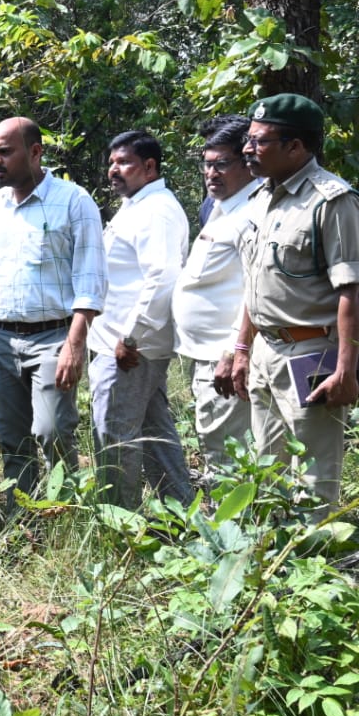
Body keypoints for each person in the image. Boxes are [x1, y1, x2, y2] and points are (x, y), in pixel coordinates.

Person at [222, 94, 359, 504]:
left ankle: (316, 562)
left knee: (314, 478)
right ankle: (274, 562)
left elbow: (351, 290)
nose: (247, 149)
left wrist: (347, 371)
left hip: (312, 353)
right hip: (266, 351)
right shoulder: (261, 197)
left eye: (259, 141)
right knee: (267, 470)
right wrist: (242, 347)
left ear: (295, 147)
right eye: (248, 139)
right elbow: (256, 281)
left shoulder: (332, 201)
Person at [0, 117, 106, 503]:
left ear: (36, 152)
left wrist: (75, 345)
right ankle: (20, 519)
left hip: (54, 337)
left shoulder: (74, 202)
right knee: (11, 437)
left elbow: (91, 283)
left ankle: (65, 514)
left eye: (5, 152)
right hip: (3, 340)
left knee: (53, 430)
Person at [87, 130, 193, 509]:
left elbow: (162, 276)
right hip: (123, 342)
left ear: (149, 166)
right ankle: (181, 514)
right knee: (154, 434)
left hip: (129, 349)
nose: (114, 170)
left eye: (124, 163)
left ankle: (121, 523)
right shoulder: (137, 204)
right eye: (112, 162)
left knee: (113, 435)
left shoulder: (156, 210)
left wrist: (131, 337)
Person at [171, 116, 258, 472]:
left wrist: (232, 351)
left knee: (227, 454)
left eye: (222, 164)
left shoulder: (255, 212)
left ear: (248, 164)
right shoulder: (218, 207)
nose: (211, 173)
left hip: (226, 358)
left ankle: (230, 525)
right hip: (206, 356)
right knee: (217, 445)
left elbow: (257, 289)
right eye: (207, 164)